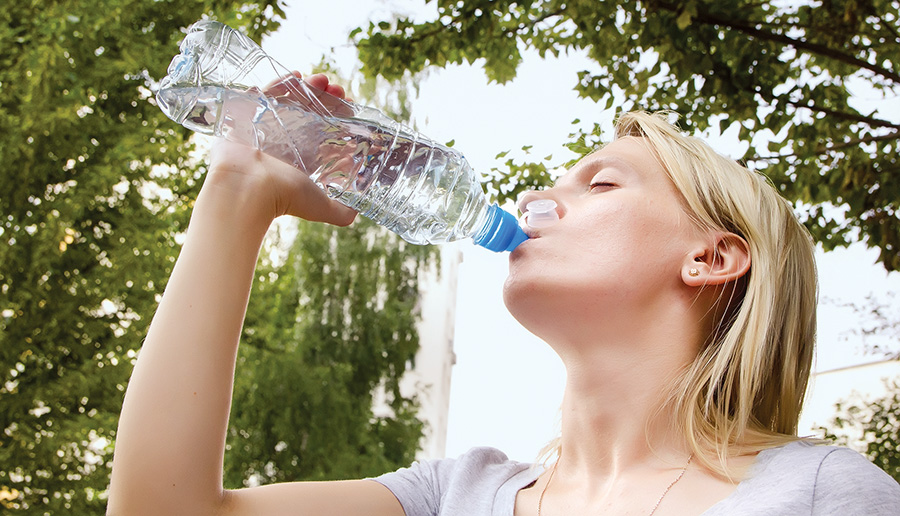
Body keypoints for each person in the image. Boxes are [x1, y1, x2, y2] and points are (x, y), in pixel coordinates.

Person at [107, 74, 900, 516]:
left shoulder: (821, 493)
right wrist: (239, 190)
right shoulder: (454, 496)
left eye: (601, 181)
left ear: (710, 256)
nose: (536, 199)